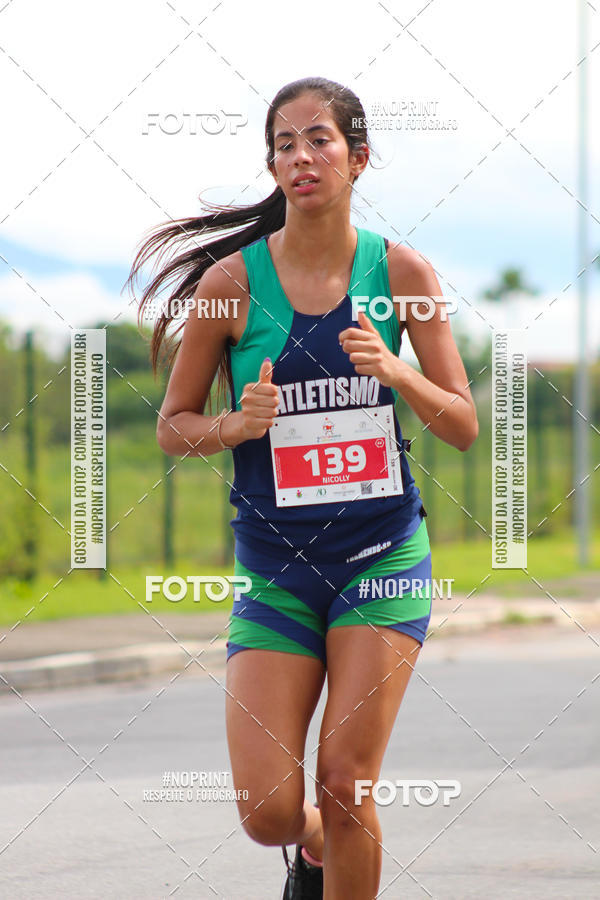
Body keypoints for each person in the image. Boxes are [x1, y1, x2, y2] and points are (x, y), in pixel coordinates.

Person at [127, 76, 478, 900]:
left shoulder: (400, 271)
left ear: (358, 158)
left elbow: (461, 422)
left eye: (318, 139)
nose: (300, 157)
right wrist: (235, 427)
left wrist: (397, 372)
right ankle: (313, 846)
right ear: (273, 166)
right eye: (283, 144)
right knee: (269, 813)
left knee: (348, 779)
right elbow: (174, 424)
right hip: (276, 568)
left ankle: (338, 835)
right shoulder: (231, 285)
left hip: (379, 559)